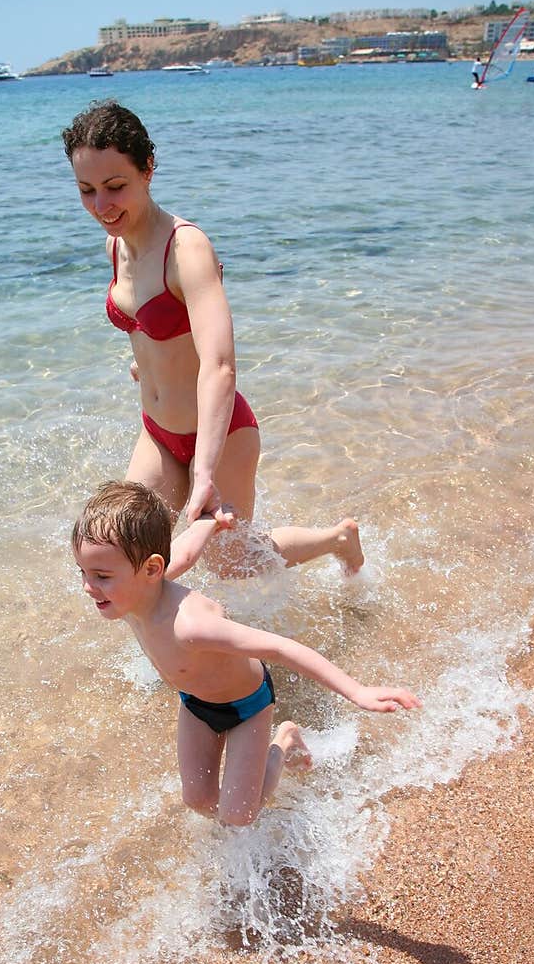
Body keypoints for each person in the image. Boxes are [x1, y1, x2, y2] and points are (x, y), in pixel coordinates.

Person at [61, 100, 364, 578]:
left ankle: (337, 539)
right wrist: (149, 362)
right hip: (158, 432)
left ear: (148, 170)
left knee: (233, 562)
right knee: (127, 550)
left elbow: (221, 365)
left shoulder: (188, 249)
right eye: (87, 190)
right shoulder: (114, 244)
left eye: (115, 186)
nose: (102, 206)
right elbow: (150, 322)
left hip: (219, 435)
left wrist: (205, 474)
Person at [72, 482, 421, 827]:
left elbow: (280, 648)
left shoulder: (190, 626)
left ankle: (283, 741)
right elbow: (188, 553)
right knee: (198, 800)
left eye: (101, 575)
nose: (89, 587)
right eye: (84, 573)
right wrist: (210, 520)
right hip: (196, 704)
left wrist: (357, 691)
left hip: (247, 707)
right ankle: (260, 761)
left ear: (151, 569)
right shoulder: (131, 595)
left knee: (239, 815)